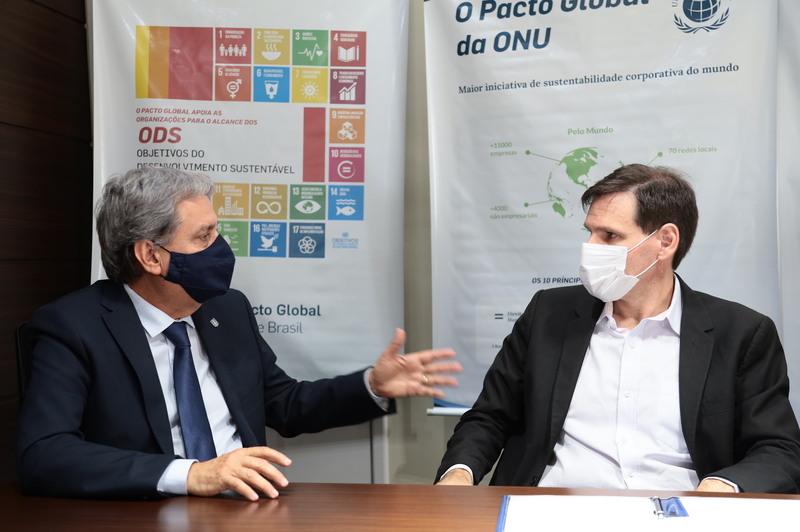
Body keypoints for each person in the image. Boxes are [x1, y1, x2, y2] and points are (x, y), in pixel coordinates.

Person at [17, 167, 461, 501]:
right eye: (204, 236)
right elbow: (45, 454)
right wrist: (192, 475)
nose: (221, 247)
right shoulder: (73, 327)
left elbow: (284, 403)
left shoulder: (226, 309)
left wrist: (371, 386)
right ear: (151, 256)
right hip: (146, 512)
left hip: (248, 511)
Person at [435, 164, 800, 493]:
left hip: (676, 513)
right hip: (554, 507)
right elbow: (490, 416)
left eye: (609, 236)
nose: (589, 248)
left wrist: (720, 487)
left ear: (665, 241)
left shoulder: (741, 333)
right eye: (589, 232)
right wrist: (458, 474)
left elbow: (779, 448)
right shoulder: (548, 313)